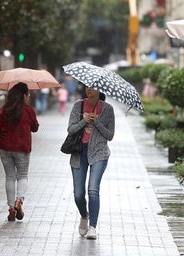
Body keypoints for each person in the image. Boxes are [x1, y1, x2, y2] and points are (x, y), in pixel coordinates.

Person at [66, 86, 115, 239]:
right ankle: (84, 215)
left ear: (100, 90)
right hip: (79, 152)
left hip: (99, 153)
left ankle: (93, 226)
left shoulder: (108, 109)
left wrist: (97, 122)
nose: (89, 89)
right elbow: (70, 129)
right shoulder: (78, 105)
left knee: (93, 190)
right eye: (87, 86)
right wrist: (84, 121)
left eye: (94, 87)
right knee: (78, 194)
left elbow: (110, 135)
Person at [0, 82, 39, 221]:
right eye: (27, 94)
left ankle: (11, 207)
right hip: (22, 148)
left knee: (10, 177)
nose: (28, 96)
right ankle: (19, 200)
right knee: (22, 176)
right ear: (24, 95)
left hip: (5, 147)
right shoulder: (28, 110)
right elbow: (35, 128)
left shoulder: (4, 110)